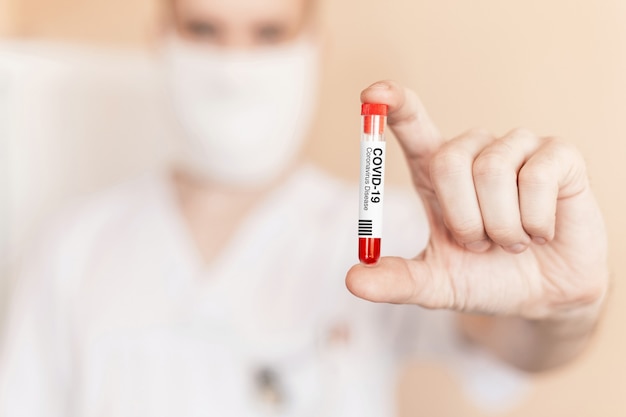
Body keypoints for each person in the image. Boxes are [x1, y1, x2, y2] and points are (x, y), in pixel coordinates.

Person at [0, 0, 609, 415]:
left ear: (314, 43)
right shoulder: (71, 248)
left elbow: (515, 343)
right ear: (162, 38)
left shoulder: (397, 238)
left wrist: (557, 309)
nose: (235, 66)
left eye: (269, 32)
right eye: (205, 30)